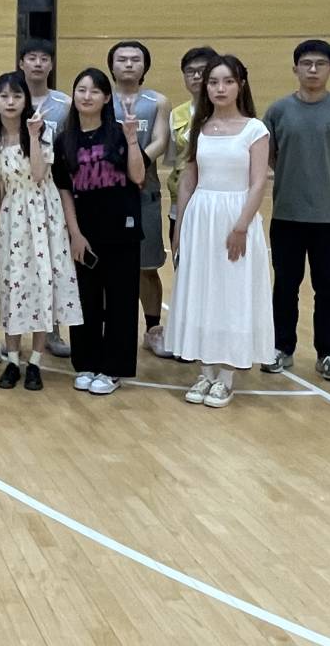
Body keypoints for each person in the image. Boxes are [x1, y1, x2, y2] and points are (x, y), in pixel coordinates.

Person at [166, 56, 273, 408]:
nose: (220, 88)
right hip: (201, 217)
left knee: (232, 293)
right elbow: (188, 180)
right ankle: (205, 371)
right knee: (202, 291)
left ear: (240, 85)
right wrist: (180, 228)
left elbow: (258, 183)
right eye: (213, 82)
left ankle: (226, 376)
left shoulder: (255, 129)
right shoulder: (200, 128)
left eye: (227, 81)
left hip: (235, 216)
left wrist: (241, 226)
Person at [262, 40, 330, 382]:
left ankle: (328, 352)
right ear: (295, 69)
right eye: (306, 63)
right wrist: (289, 174)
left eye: (321, 64)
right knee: (285, 285)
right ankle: (281, 347)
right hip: (287, 213)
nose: (313, 70)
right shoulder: (278, 110)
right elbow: (268, 153)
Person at [0, 73, 82, 391]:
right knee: (13, 286)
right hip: (12, 218)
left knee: (42, 284)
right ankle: (12, 359)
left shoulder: (42, 130)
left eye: (17, 96)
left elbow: (38, 175)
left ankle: (35, 361)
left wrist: (34, 136)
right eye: (4, 96)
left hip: (44, 215)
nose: (10, 102)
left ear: (26, 100)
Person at [53, 68, 146, 396]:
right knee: (86, 301)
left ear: (107, 97)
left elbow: (138, 177)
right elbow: (64, 189)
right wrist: (75, 233)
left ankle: (113, 368)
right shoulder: (64, 139)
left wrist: (132, 140)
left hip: (122, 230)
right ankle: (87, 362)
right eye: (81, 89)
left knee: (121, 302)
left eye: (94, 91)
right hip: (85, 232)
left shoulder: (120, 133)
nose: (87, 96)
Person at [151, 44, 217, 359]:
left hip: (217, 208)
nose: (196, 77)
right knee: (186, 273)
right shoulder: (176, 115)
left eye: (203, 71)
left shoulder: (231, 115)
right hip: (183, 208)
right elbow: (174, 163)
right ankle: (187, 337)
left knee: (216, 275)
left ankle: (214, 337)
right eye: (190, 72)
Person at [107, 41, 171, 351]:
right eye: (122, 59)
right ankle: (109, 327)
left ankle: (153, 329)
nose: (129, 64)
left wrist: (136, 163)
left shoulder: (157, 101)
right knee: (107, 267)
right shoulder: (101, 99)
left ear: (145, 66)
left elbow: (161, 140)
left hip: (145, 192)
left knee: (147, 267)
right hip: (106, 193)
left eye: (136, 59)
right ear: (112, 66)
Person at [19, 38, 73, 359]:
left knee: (52, 264)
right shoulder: (11, 97)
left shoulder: (65, 104)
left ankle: (53, 330)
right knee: (18, 268)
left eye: (44, 58)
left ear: (51, 65)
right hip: (18, 193)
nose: (38, 63)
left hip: (53, 192)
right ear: (22, 63)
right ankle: (14, 332)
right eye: (32, 57)